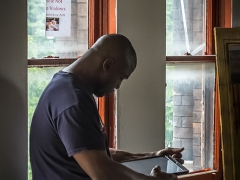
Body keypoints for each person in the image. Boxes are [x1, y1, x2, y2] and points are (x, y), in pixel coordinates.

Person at [30, 34, 184, 180]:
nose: (117, 86)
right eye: (121, 78)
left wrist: (154, 155)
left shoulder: (67, 88)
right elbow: (101, 173)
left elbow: (97, 154)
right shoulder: (74, 101)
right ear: (107, 65)